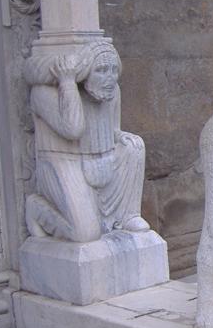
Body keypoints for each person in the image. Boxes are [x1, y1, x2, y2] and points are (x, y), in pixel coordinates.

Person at [24, 41, 150, 242]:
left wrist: (119, 136)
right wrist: (67, 82)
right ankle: (38, 209)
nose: (110, 77)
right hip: (66, 163)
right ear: (83, 72)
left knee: (134, 145)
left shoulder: (112, 90)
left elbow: (112, 128)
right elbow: (73, 129)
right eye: (101, 70)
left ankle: (128, 215)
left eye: (113, 70)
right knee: (85, 234)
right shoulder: (44, 93)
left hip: (104, 161)